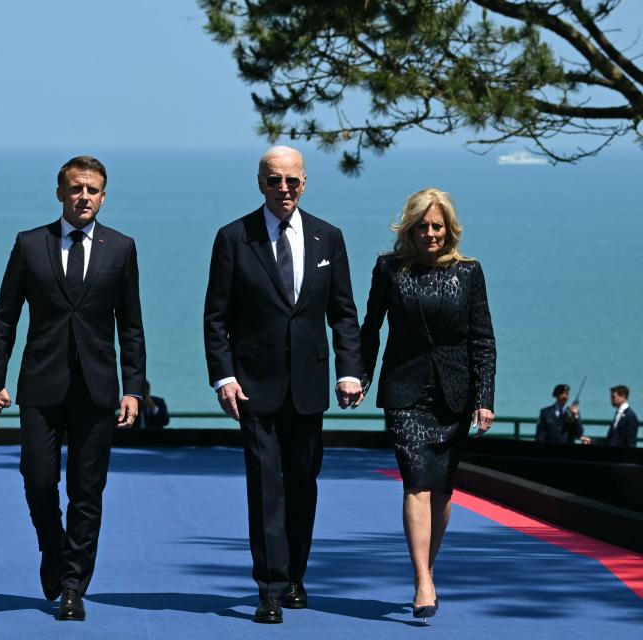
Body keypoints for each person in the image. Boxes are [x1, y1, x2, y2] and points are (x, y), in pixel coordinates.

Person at [202, 146, 365, 624]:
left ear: (305, 182)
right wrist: (224, 375)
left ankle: (295, 575)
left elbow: (344, 314)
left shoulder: (327, 237)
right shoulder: (233, 238)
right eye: (275, 181)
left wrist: (349, 370)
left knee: (302, 484)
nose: (284, 189)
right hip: (253, 386)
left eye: (292, 180)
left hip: (310, 386)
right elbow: (216, 317)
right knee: (264, 486)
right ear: (261, 183)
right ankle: (269, 588)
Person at [0, 156, 146, 622]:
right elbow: (5, 315)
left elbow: (131, 326)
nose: (84, 197)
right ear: (60, 193)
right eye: (76, 188)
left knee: (87, 491)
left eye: (93, 189)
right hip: (40, 384)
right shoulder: (30, 244)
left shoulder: (122, 248)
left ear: (104, 196)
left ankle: (73, 585)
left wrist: (134, 388)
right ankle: (53, 550)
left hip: (97, 389)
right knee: (37, 480)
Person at [360, 188, 496, 622]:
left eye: (437, 226)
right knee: (416, 482)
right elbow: (370, 327)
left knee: (441, 489)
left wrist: (484, 399)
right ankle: (423, 580)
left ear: (449, 229)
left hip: (454, 393)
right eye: (423, 226)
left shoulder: (470, 273)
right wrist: (358, 375)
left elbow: (483, 340)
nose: (430, 233)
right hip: (404, 392)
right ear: (410, 229)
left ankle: (428, 568)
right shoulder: (388, 269)